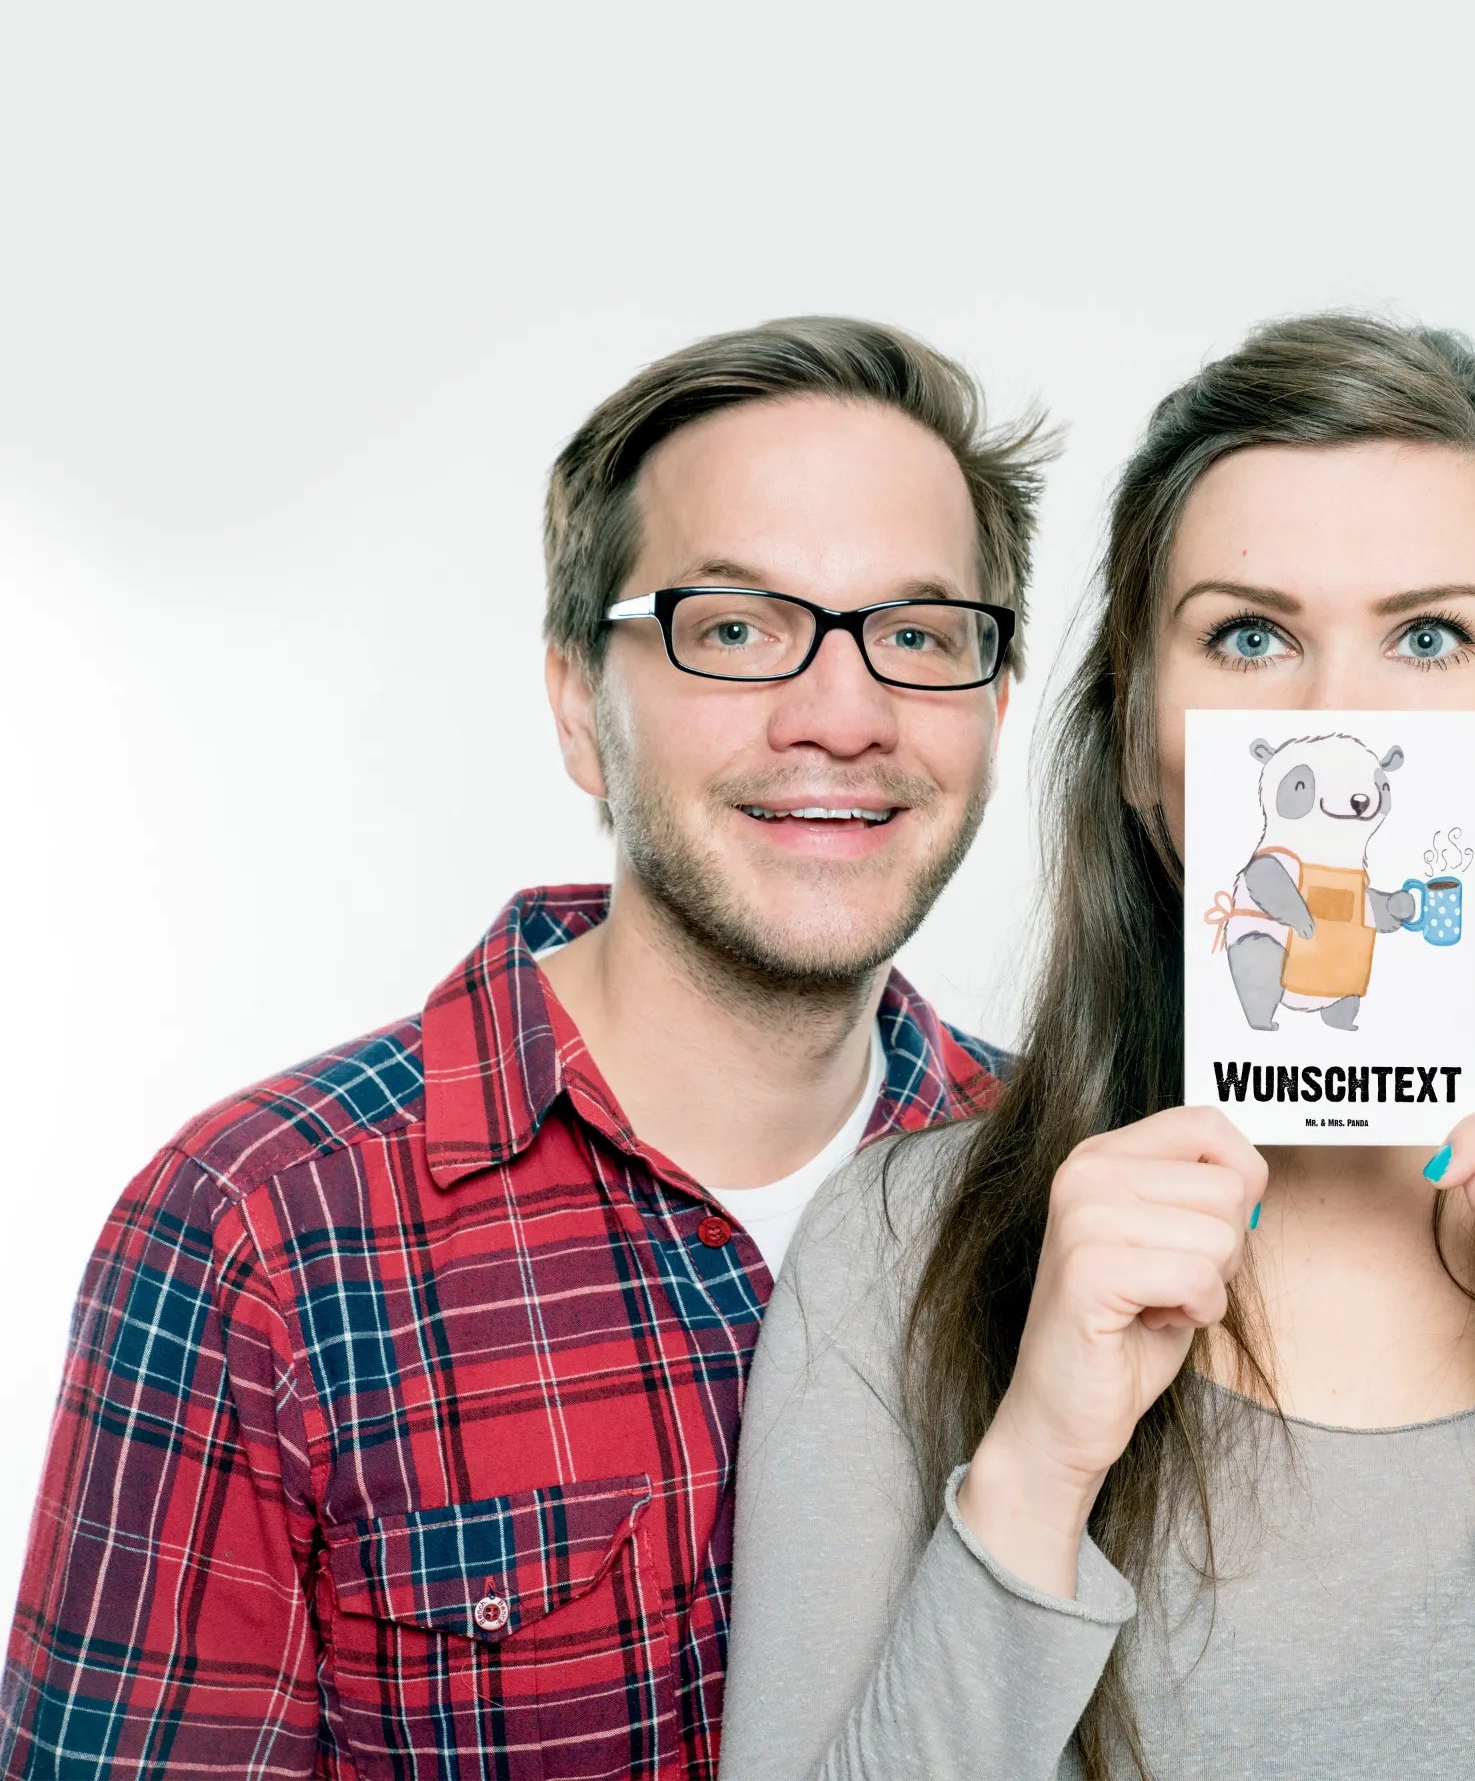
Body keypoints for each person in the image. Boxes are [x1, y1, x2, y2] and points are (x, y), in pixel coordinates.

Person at [717, 314, 1475, 1778]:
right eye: (1250, 638)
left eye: (1430, 637)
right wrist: (1038, 1461)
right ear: (1140, 740)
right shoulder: (897, 1253)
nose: (1340, 721)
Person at [0, 316, 1051, 1779]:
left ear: (993, 703)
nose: (844, 715)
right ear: (577, 707)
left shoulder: (1067, 1177)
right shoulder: (255, 1234)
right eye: (735, 629)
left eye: (919, 637)